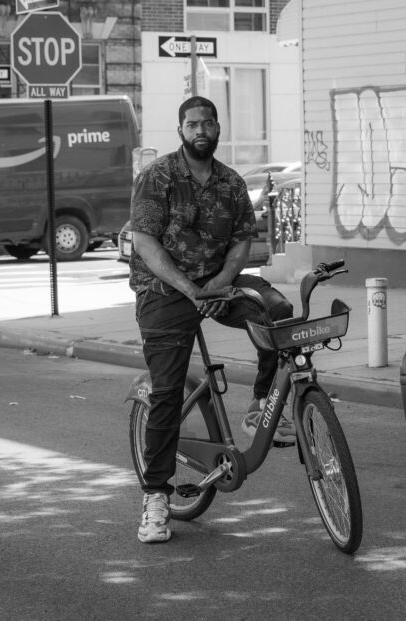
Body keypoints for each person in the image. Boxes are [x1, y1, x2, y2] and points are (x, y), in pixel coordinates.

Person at [129, 95, 294, 544]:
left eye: (208, 123)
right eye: (192, 124)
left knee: (276, 312)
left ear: (218, 128)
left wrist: (220, 284)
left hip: (217, 283)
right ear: (181, 130)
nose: (200, 130)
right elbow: (145, 243)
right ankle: (156, 498)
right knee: (166, 391)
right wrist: (191, 290)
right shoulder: (158, 176)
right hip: (165, 291)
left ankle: (261, 404)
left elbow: (242, 243)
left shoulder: (231, 183)